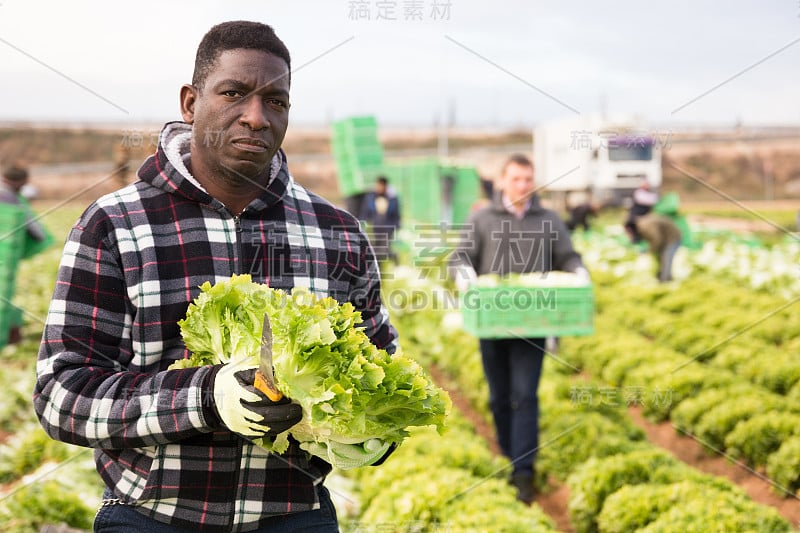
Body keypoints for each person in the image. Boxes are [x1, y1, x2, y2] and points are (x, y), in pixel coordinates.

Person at [33, 21, 397, 532]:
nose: (255, 117)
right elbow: (62, 397)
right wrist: (204, 397)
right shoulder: (116, 224)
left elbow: (382, 361)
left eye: (276, 101)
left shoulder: (336, 232)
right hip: (152, 516)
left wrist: (373, 429)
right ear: (190, 103)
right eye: (234, 93)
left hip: (295, 515)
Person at [448, 154, 589, 504]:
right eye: (516, 179)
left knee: (525, 396)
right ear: (502, 181)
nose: (523, 186)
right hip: (492, 326)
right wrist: (464, 276)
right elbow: (460, 257)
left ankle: (523, 472)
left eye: (528, 179)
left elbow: (567, 256)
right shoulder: (482, 218)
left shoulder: (550, 219)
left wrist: (579, 270)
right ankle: (511, 455)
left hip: (532, 324)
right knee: (499, 398)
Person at [0, 164, 52, 344]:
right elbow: (38, 234)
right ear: (21, 182)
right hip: (4, 262)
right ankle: (10, 337)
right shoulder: (16, 203)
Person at [360, 175, 401, 263]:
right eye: (378, 185)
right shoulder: (370, 197)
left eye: (382, 185)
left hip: (387, 228)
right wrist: (363, 225)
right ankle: (378, 269)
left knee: (384, 251)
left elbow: (396, 214)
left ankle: (393, 260)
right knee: (374, 250)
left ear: (386, 186)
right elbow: (365, 213)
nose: (379, 187)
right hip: (374, 228)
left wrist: (396, 227)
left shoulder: (392, 198)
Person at [635, 213, 682, 282]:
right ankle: (660, 277)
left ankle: (665, 281)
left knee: (667, 259)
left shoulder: (647, 227)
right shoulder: (642, 224)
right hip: (665, 238)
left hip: (673, 239)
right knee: (660, 259)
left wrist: (649, 252)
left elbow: (657, 240)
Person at [624, 178, 659, 243]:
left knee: (640, 235)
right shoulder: (639, 193)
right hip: (635, 218)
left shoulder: (649, 194)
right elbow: (649, 200)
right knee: (635, 235)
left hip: (642, 219)